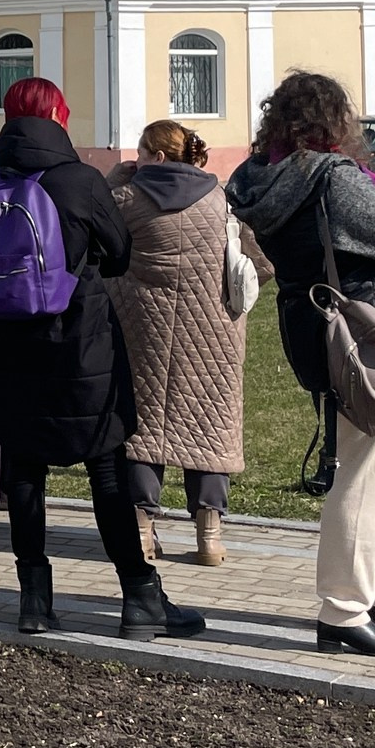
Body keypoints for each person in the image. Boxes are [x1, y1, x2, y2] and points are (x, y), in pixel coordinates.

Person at [0, 79, 207, 640]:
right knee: (106, 469)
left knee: (24, 470)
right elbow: (120, 254)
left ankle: (34, 599)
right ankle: (139, 597)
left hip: (7, 340)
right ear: (60, 115)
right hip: (80, 342)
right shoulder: (78, 180)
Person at [227, 70, 375, 659]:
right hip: (360, 336)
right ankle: (344, 610)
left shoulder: (256, 176)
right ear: (335, 122)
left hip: (311, 322)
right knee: (368, 468)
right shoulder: (333, 178)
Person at [109, 121, 256, 568]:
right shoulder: (218, 199)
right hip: (213, 332)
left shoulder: (127, 199)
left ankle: (140, 529)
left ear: (154, 155)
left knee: (141, 428)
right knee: (209, 425)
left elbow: (101, 229)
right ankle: (209, 534)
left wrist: (120, 174)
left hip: (143, 331)